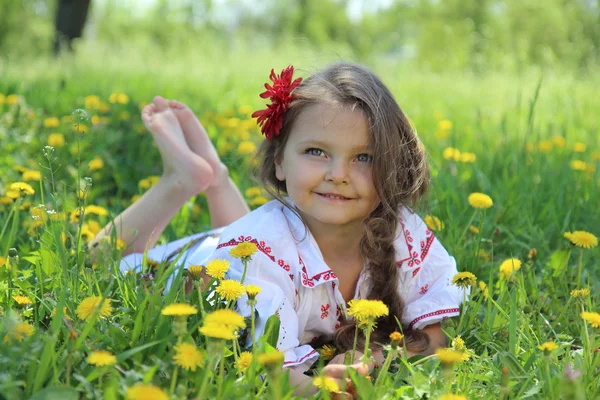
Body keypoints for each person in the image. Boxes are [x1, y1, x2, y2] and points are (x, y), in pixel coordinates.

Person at [91, 62, 465, 397]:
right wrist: (323, 387)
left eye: (363, 158)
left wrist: (377, 359)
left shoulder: (403, 236)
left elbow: (435, 333)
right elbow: (268, 371)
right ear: (280, 162)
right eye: (316, 152)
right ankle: (181, 180)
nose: (338, 174)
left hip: (242, 247)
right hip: (179, 271)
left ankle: (214, 177)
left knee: (251, 249)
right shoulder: (261, 249)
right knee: (97, 264)